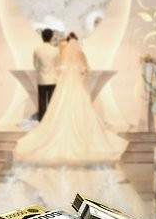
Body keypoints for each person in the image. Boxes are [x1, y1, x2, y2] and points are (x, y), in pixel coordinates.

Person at [14, 33, 127, 164]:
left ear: (67, 42)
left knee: (57, 106)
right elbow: (86, 68)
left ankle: (52, 128)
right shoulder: (79, 54)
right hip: (77, 85)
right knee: (79, 106)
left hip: (63, 85)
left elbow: (58, 67)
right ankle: (82, 131)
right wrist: (80, 74)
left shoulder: (61, 54)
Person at [33, 29, 59, 121]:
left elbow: (36, 66)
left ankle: (42, 120)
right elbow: (57, 65)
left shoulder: (37, 50)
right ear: (51, 37)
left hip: (41, 78)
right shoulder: (55, 50)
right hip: (53, 78)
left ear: (42, 37)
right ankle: (51, 120)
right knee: (52, 102)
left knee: (42, 102)